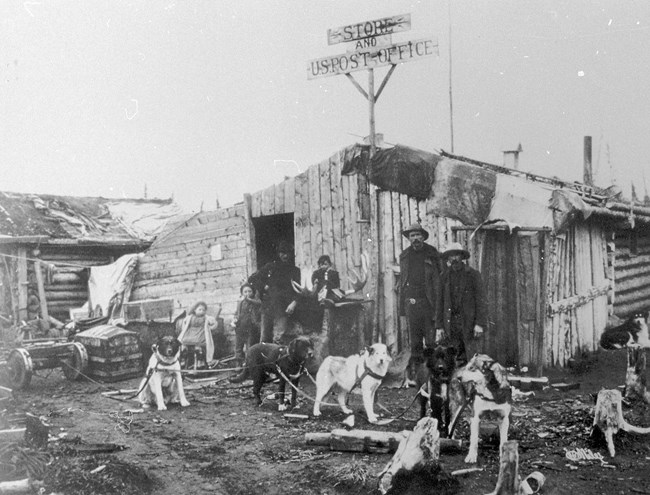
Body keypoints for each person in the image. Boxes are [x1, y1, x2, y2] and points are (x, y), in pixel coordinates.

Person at [398, 223, 443, 387]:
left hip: (429, 304)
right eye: (412, 235)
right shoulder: (404, 256)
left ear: (423, 237)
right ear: (409, 238)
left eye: (418, 235)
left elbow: (440, 281)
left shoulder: (432, 254)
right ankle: (418, 377)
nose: (415, 238)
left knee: (431, 342)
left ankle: (433, 377)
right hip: (411, 304)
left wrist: (438, 307)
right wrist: (403, 306)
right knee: (415, 343)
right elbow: (403, 281)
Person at [436, 242, 487, 364]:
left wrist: (479, 323)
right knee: (453, 358)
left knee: (472, 358)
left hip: (469, 323)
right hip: (451, 324)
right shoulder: (444, 276)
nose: (454, 258)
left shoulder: (473, 275)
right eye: (451, 255)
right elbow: (440, 302)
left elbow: (481, 300)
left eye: (457, 255)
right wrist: (439, 326)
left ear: (462, 257)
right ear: (448, 258)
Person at [248, 240, 301, 344]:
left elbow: (298, 290)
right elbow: (252, 279)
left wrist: (294, 303)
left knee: (279, 339)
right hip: (268, 307)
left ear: (291, 254)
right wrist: (263, 287)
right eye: (282, 253)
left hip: (283, 308)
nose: (285, 256)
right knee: (264, 339)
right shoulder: (270, 267)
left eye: (288, 253)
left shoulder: (295, 270)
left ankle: (278, 360)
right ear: (278, 253)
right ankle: (265, 360)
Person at [177, 301, 221, 368]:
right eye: (199, 309)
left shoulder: (206, 317)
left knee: (198, 345)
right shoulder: (190, 317)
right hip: (190, 334)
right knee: (183, 343)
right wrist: (184, 324)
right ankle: (183, 359)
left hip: (200, 334)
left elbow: (214, 323)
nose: (202, 311)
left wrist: (211, 326)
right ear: (195, 310)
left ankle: (200, 361)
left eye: (203, 310)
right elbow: (184, 322)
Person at [232, 282, 261, 367]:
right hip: (240, 328)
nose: (247, 294)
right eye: (245, 292)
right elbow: (236, 313)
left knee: (249, 348)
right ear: (242, 293)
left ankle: (248, 366)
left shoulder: (255, 302)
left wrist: (250, 300)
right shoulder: (240, 303)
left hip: (251, 329)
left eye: (249, 291)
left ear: (253, 293)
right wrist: (234, 319)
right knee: (238, 347)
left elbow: (259, 304)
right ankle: (238, 364)